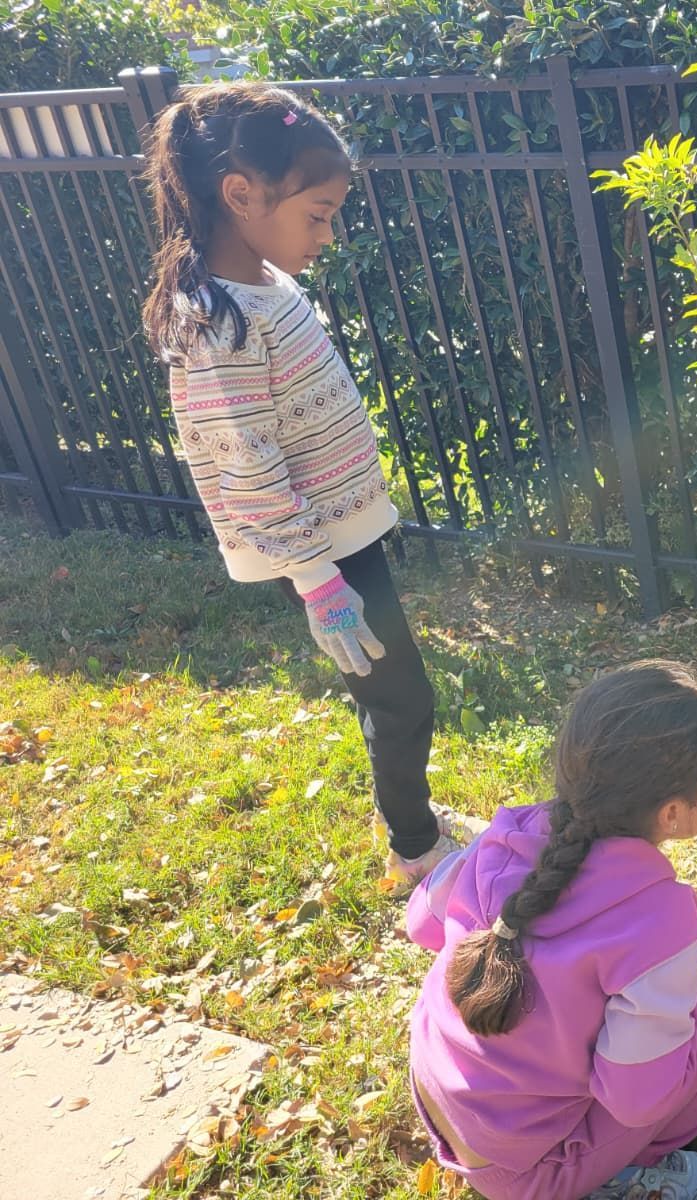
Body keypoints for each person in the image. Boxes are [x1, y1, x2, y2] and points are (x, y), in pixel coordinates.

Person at [141, 82, 456, 889]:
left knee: (383, 692)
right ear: (240, 195)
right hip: (323, 557)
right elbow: (245, 462)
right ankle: (417, 848)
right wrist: (317, 582)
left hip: (342, 535)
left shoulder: (262, 288)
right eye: (316, 214)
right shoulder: (220, 321)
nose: (328, 233)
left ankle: (411, 826)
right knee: (403, 700)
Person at [406, 662, 697, 1200]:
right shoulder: (658, 918)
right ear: (672, 813)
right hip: (525, 1172)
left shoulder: (509, 830)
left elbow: (420, 921)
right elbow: (637, 1100)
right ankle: (619, 1176)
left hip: (437, 1093)